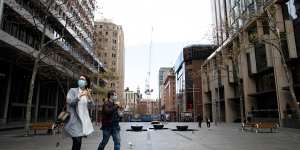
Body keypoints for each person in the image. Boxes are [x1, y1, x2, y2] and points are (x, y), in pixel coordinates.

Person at [64, 75, 95, 150]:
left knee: (79, 141)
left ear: (86, 83)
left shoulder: (87, 93)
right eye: (80, 79)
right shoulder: (73, 90)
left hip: (83, 120)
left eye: (83, 79)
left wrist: (89, 97)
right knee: (77, 140)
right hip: (75, 119)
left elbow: (92, 106)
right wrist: (79, 96)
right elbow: (69, 101)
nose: (80, 80)